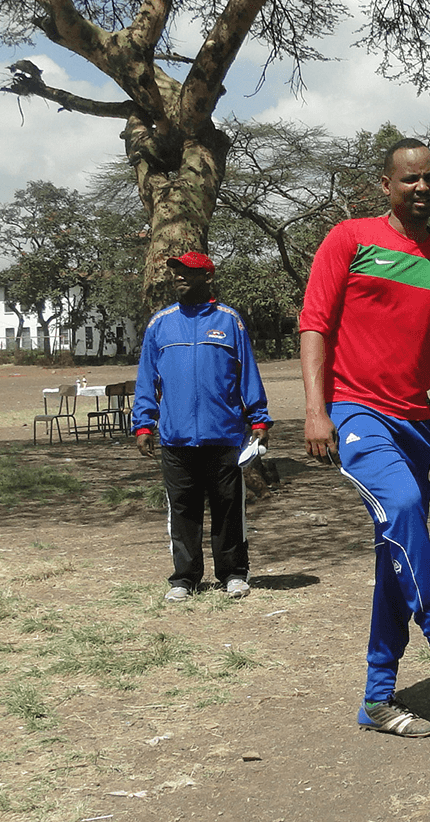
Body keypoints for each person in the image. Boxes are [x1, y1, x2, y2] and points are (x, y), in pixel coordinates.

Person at [298, 137, 430, 739]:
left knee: (397, 553)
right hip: (357, 413)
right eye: (410, 179)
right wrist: (315, 409)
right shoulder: (349, 238)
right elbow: (314, 324)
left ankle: (377, 699)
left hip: (417, 427)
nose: (422, 188)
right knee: (403, 509)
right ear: (386, 185)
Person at [132, 251, 272, 603]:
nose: (180, 277)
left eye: (189, 272)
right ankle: (185, 578)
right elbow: (147, 379)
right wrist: (143, 424)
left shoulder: (230, 322)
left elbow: (248, 374)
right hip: (176, 438)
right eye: (177, 272)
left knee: (228, 509)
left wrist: (258, 418)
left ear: (207, 277)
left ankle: (234, 574)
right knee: (182, 510)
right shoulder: (159, 324)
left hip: (224, 434)